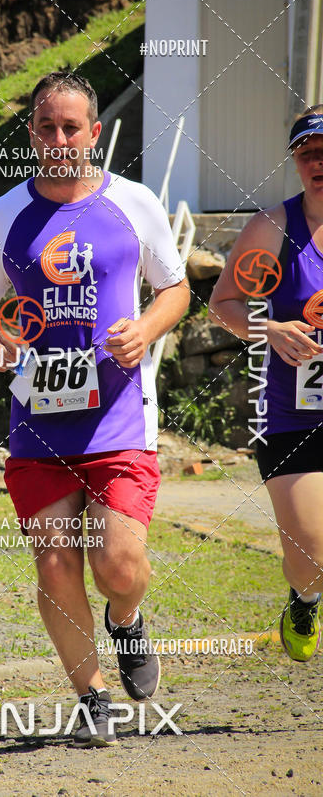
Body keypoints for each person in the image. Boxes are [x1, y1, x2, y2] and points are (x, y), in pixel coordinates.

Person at [0, 72, 189, 746]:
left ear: (94, 133)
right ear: (30, 133)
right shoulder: (2, 215)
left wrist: (146, 330)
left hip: (119, 416)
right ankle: (91, 695)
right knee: (56, 562)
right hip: (38, 422)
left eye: (71, 127)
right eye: (46, 126)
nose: (59, 139)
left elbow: (175, 290)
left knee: (117, 564)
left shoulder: (135, 202)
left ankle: (127, 617)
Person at [210, 106, 323, 663]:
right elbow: (223, 304)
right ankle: (304, 598)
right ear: (297, 163)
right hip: (294, 416)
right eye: (308, 154)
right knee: (311, 556)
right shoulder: (275, 229)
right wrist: (271, 327)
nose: (318, 163)